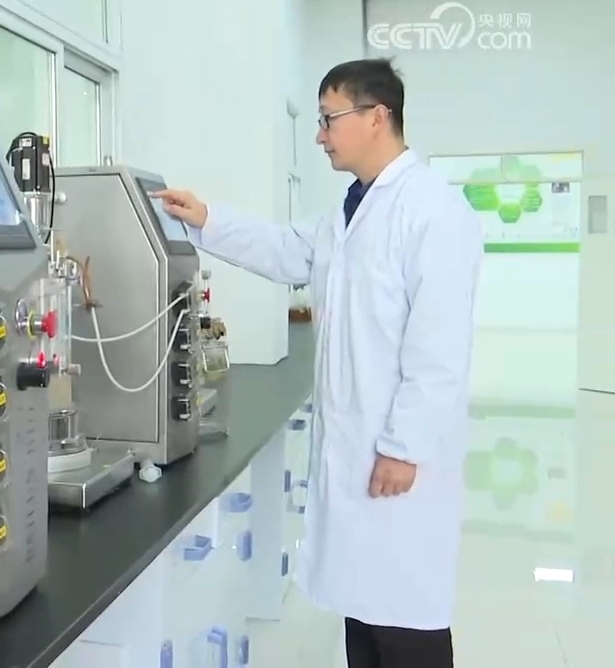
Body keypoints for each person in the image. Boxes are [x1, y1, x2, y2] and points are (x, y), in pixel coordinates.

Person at [155, 58, 482, 668]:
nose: (319, 135)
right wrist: (206, 219)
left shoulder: (432, 212)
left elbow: (438, 350)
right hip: (356, 448)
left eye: (329, 119)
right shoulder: (350, 211)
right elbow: (286, 249)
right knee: (363, 613)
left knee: (406, 624)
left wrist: (405, 446)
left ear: (377, 117)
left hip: (398, 458)